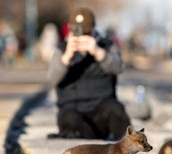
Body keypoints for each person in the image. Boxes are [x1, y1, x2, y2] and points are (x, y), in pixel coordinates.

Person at [47, 7, 131, 140]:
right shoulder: (61, 50)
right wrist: (67, 57)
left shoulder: (106, 46)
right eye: (77, 31)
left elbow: (119, 68)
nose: (81, 36)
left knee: (116, 109)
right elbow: (51, 79)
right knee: (68, 118)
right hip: (74, 114)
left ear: (93, 29)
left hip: (101, 113)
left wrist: (98, 52)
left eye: (85, 32)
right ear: (70, 28)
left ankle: (130, 144)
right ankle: (90, 146)